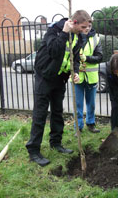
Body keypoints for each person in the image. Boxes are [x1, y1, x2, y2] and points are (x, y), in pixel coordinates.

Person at [25, 10, 92, 167]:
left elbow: (74, 57)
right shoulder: (54, 30)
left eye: (87, 27)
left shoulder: (79, 36)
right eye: (82, 27)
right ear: (74, 22)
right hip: (44, 76)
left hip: (59, 78)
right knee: (40, 114)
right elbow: (55, 52)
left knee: (57, 112)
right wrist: (64, 33)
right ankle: (33, 150)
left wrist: (74, 72)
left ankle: (56, 143)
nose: (85, 30)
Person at [73, 23, 103, 133]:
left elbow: (99, 57)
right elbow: (70, 55)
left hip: (91, 77)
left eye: (89, 25)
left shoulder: (96, 39)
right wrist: (76, 65)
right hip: (77, 77)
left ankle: (91, 124)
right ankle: (78, 127)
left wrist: (87, 58)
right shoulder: (74, 37)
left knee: (91, 104)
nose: (87, 28)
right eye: (85, 25)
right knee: (78, 104)